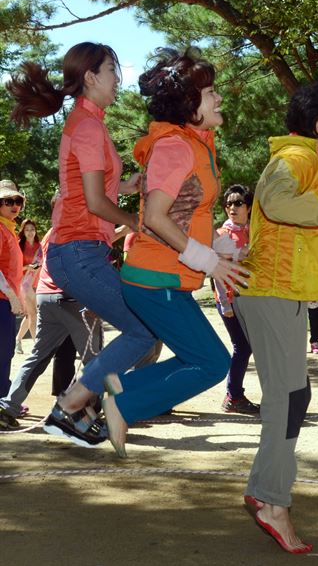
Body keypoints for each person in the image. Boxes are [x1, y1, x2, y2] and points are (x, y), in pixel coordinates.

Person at [233, 78, 318, 553]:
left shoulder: (307, 161)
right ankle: (272, 501)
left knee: (290, 397)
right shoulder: (299, 158)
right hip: (272, 292)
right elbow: (276, 201)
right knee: (289, 400)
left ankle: (264, 491)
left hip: (273, 293)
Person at [6, 41, 157, 447]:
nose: (118, 78)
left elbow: (92, 188)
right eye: (111, 69)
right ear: (90, 77)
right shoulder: (88, 126)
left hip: (80, 250)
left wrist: (128, 185)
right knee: (142, 329)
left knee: (140, 329)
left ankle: (77, 407)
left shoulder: (89, 121)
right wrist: (141, 224)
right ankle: (72, 408)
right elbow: (94, 202)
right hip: (78, 251)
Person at [104, 47, 247, 457]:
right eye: (210, 92)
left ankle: (114, 388)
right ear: (189, 104)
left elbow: (189, 211)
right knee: (212, 363)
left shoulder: (195, 143)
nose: (219, 98)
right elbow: (155, 215)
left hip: (165, 278)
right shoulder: (176, 147)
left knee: (194, 357)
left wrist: (219, 247)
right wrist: (207, 260)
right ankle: (122, 405)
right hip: (155, 278)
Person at [0, 223, 103, 432]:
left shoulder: (50, 232)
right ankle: (86, 415)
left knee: (37, 357)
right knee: (96, 360)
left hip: (46, 296)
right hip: (73, 298)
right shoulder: (82, 228)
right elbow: (89, 266)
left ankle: (8, 408)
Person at [213, 184, 260, 414]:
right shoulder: (223, 234)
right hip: (231, 299)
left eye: (238, 202)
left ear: (249, 207)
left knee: (248, 346)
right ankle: (233, 396)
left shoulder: (254, 230)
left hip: (251, 298)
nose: (232, 207)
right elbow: (217, 271)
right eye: (228, 203)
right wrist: (225, 303)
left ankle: (235, 395)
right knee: (242, 346)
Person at [0, 180, 25, 398]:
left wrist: (18, 297)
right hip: (1, 299)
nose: (14, 205)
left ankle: (4, 398)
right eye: (8, 201)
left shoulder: (9, 229)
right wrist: (10, 295)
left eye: (18, 201)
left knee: (5, 351)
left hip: (6, 300)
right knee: (2, 351)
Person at [16, 218, 41, 353]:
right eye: (27, 230)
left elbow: (42, 264)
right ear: (23, 231)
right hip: (24, 284)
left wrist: (38, 267)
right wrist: (28, 267)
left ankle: (18, 340)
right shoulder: (19, 245)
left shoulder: (39, 245)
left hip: (37, 283)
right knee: (33, 314)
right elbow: (15, 268)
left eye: (32, 229)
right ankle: (37, 345)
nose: (30, 232)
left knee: (29, 316)